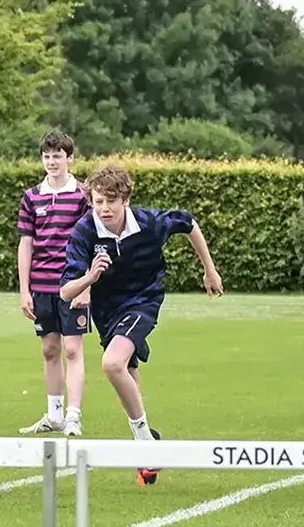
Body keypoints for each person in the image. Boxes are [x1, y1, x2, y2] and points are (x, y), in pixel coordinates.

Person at [58, 165, 222, 486]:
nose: (104, 208)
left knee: (112, 363)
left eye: (111, 201)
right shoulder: (85, 231)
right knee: (127, 372)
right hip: (107, 311)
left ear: (126, 199)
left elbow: (189, 223)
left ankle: (145, 443)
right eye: (98, 201)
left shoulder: (149, 223)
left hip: (143, 300)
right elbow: (65, 292)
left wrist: (209, 270)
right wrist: (89, 278)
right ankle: (147, 448)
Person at [18, 131, 90, 437]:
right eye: (47, 156)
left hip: (73, 284)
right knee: (50, 349)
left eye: (57, 156)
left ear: (69, 158)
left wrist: (87, 285)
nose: (51, 162)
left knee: (72, 349)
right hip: (42, 285)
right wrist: (24, 290)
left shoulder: (83, 195)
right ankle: (55, 415)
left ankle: (73, 416)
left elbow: (92, 241)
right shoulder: (31, 197)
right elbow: (26, 244)